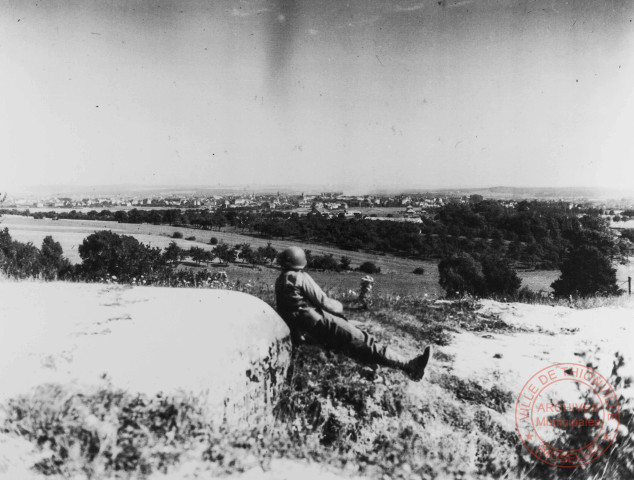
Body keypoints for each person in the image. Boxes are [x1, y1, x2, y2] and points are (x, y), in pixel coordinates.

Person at [275, 246, 432, 381]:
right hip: (316, 320)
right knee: (363, 340)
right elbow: (324, 302)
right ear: (301, 262)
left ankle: (372, 372)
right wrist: (340, 307)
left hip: (303, 328)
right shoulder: (300, 277)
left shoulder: (280, 280)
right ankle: (411, 367)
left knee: (346, 347)